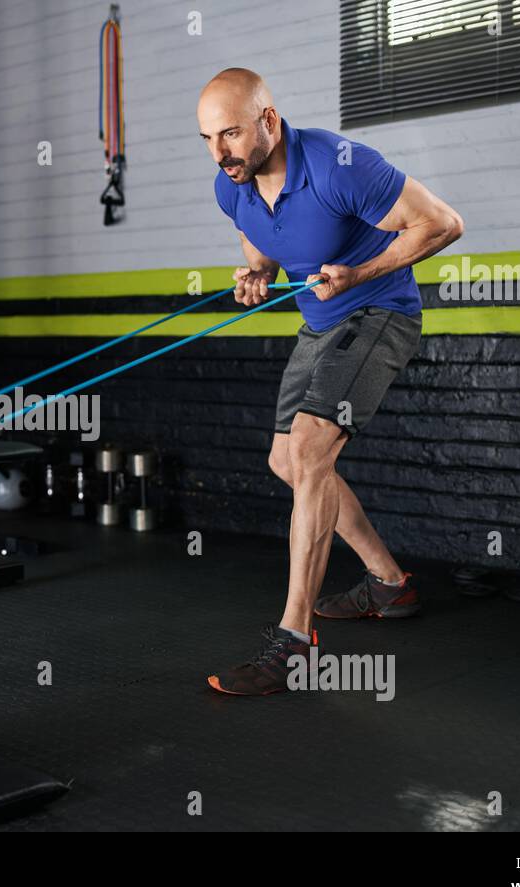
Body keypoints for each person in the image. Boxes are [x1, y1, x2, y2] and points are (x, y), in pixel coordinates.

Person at [196, 68, 465, 696]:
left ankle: (293, 642)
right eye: (208, 138)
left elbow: (444, 223)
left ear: (268, 119)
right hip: (319, 327)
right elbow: (261, 249)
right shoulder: (229, 184)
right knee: (287, 459)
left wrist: (359, 271)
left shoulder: (340, 164)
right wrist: (252, 275)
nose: (220, 153)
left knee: (312, 446)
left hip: (381, 310)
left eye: (230, 134)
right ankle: (389, 585)